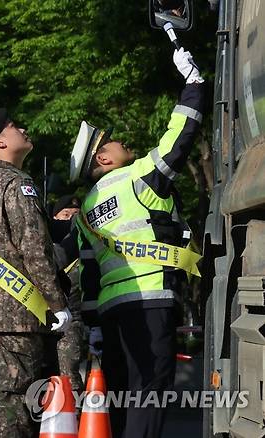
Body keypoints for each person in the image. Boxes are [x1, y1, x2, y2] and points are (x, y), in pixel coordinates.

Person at [70, 47, 204, 438]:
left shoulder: (86, 211)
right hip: (151, 303)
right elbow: (179, 139)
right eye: (110, 142)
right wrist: (193, 85)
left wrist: (94, 326)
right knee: (150, 392)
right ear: (105, 160)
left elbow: (89, 276)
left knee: (125, 397)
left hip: (113, 315)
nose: (119, 141)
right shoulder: (137, 176)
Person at [0, 108, 71, 438]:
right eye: (13, 126)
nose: (23, 129)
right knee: (16, 404)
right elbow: (35, 249)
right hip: (18, 316)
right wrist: (58, 305)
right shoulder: (17, 183)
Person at [49, 195, 85, 396]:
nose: (71, 219)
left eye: (75, 216)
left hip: (73, 321)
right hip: (45, 319)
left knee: (69, 374)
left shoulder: (85, 250)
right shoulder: (45, 247)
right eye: (66, 215)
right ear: (54, 218)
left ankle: (76, 418)